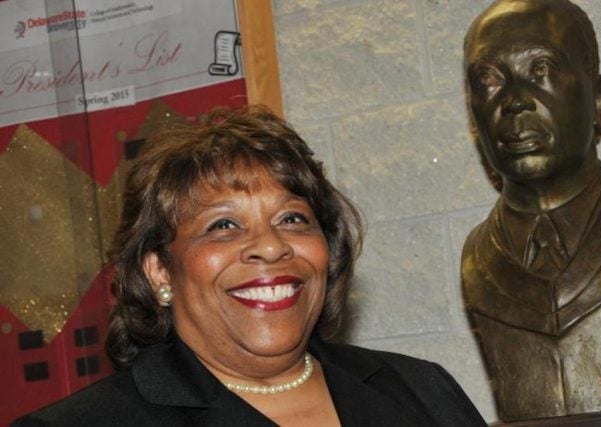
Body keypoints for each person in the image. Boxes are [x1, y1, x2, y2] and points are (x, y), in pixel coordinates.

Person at [15, 106, 485, 426]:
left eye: (293, 218)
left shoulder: (423, 390)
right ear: (159, 271)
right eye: (223, 225)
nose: (271, 246)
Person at [460, 0, 601, 421]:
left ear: (599, 101)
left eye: (542, 70)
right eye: (490, 79)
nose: (515, 102)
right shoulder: (477, 260)